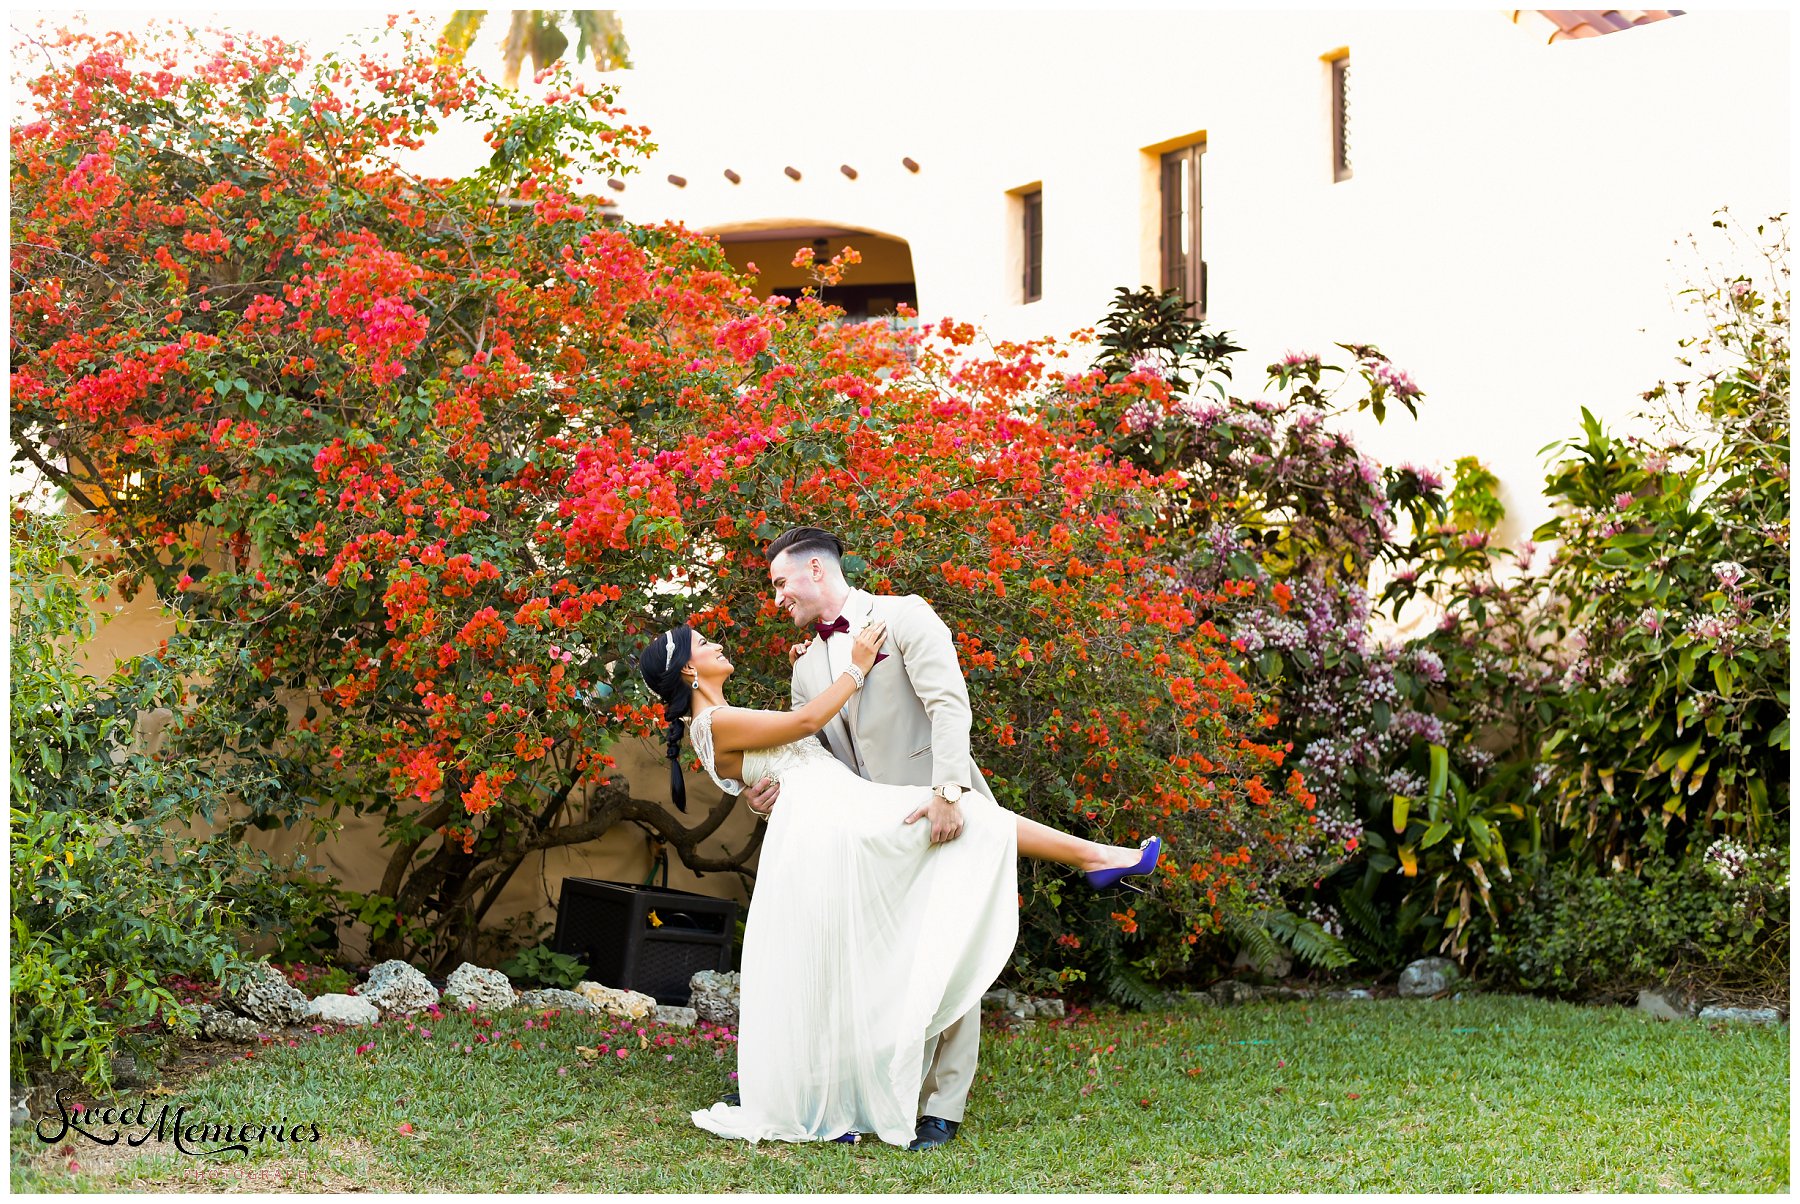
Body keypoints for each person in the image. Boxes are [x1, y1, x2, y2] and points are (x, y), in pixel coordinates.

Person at [635, 544, 1158, 1151]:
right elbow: (806, 739)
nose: (776, 600)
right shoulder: (801, 672)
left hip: (925, 795)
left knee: (958, 900)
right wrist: (774, 780)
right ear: (690, 673)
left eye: (781, 583)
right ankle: (838, 1091)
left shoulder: (903, 615)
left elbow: (947, 705)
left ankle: (942, 1104)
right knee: (856, 963)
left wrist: (946, 788)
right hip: (847, 822)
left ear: (814, 569)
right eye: (705, 643)